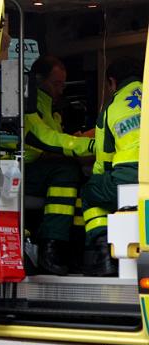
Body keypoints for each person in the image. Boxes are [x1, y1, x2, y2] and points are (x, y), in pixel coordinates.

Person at [23, 55, 96, 275]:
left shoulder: (50, 109)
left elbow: (52, 142)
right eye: (57, 84)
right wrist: (91, 145)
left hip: (36, 171)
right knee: (66, 170)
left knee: (82, 177)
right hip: (17, 172)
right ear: (38, 80)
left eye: (63, 84)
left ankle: (73, 249)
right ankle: (51, 246)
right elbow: (41, 138)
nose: (62, 89)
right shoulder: (28, 105)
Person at [81, 57, 143, 276]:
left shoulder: (111, 108)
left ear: (113, 82)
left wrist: (99, 178)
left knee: (90, 192)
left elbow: (104, 158)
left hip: (126, 178)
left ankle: (103, 256)